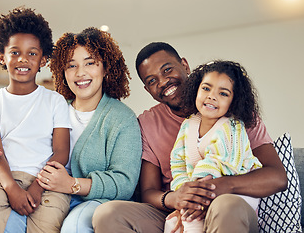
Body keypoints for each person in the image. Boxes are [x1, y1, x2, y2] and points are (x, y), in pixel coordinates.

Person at [92, 42, 287, 233]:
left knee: (225, 206)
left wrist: (224, 185)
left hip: (229, 204)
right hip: (177, 210)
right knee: (108, 214)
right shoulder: (147, 123)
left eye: (167, 70)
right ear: (147, 90)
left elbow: (277, 178)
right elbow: (148, 191)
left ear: (184, 65)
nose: (163, 82)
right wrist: (175, 198)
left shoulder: (237, 115)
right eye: (152, 81)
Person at [0, 27, 142, 233]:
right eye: (71, 65)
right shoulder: (53, 106)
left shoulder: (122, 118)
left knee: (73, 229)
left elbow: (125, 182)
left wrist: (72, 184)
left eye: (90, 63)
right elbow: (20, 147)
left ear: (105, 67)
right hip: (44, 193)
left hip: (92, 202)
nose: (80, 72)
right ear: (62, 72)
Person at [0, 7, 72, 233]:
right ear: (2, 56)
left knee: (47, 226)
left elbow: (61, 152)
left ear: (43, 60)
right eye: (15, 52)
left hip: (47, 181)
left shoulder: (55, 101)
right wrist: (11, 188)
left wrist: (37, 188)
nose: (23, 60)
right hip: (2, 178)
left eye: (32, 53)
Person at [164, 60, 263, 233]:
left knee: (193, 220)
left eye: (223, 93)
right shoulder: (188, 125)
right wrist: (184, 194)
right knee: (172, 223)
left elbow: (217, 162)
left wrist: (194, 198)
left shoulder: (232, 126)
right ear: (196, 89)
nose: (212, 96)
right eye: (206, 88)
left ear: (234, 101)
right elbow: (177, 163)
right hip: (202, 189)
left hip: (235, 192)